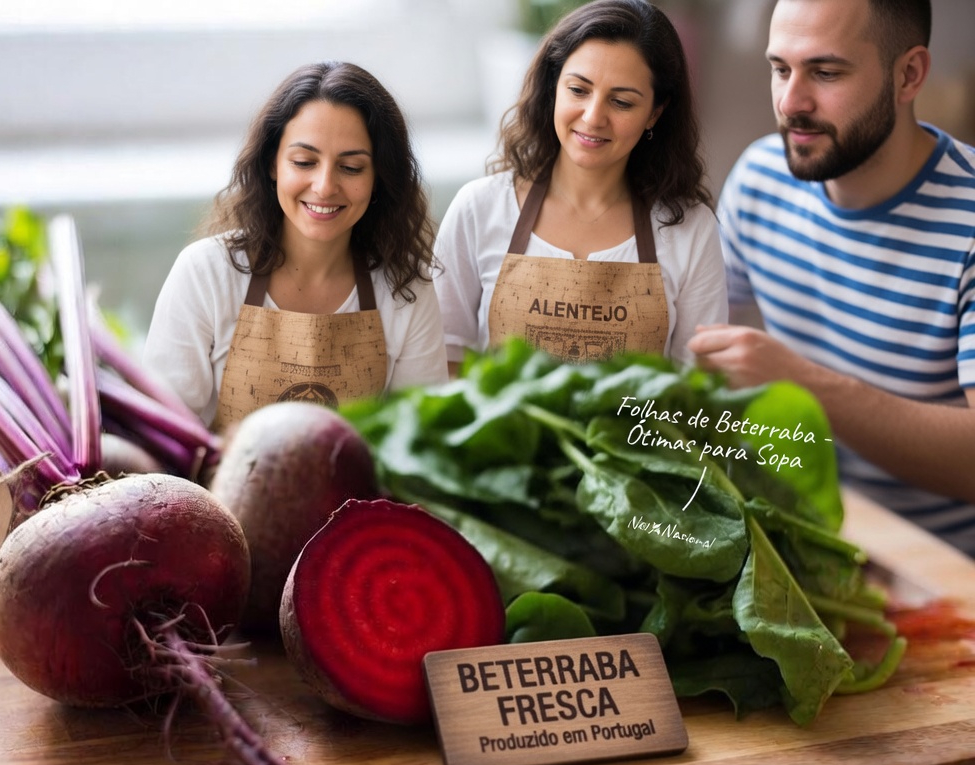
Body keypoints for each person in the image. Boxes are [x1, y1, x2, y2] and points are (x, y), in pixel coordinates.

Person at [689, 0, 975, 555]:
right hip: (809, 539)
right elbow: (686, 337)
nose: (790, 102)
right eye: (780, 68)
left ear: (909, 74)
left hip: (947, 572)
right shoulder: (761, 176)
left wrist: (802, 379)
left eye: (826, 72)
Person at [142, 61, 447, 427]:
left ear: (379, 178)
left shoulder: (406, 290)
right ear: (272, 163)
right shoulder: (205, 273)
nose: (324, 186)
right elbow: (163, 436)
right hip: (217, 486)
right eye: (304, 161)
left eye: (351, 168)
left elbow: (418, 442)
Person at [434, 0, 726, 374]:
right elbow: (445, 360)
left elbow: (700, 388)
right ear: (553, 85)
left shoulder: (690, 230)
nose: (593, 118)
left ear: (655, 111)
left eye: (621, 102)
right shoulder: (479, 208)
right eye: (578, 90)